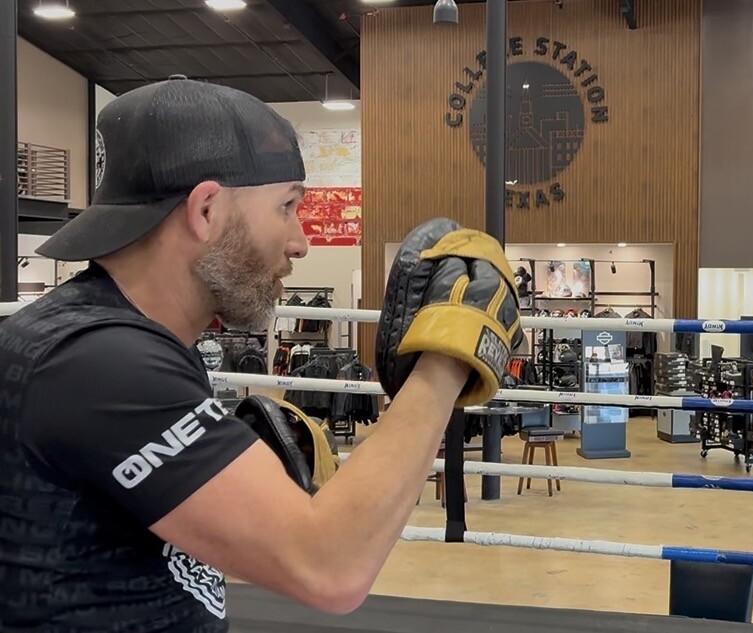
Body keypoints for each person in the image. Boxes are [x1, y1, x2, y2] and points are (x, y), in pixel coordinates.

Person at [0, 77, 522, 632]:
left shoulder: (109, 337)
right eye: (287, 206)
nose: (300, 241)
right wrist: (446, 359)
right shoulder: (100, 362)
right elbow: (330, 567)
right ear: (206, 210)